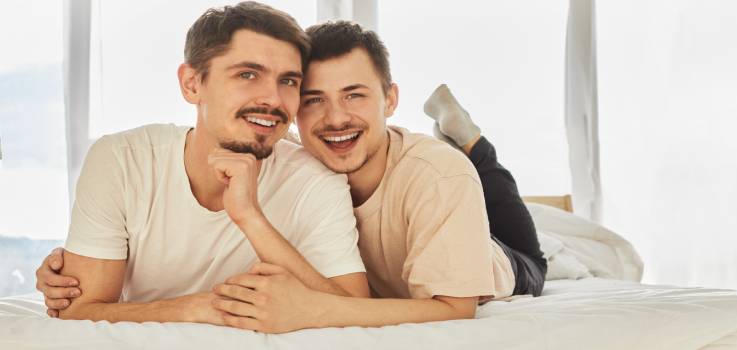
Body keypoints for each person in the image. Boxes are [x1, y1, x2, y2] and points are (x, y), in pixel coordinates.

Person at [39, 18, 547, 333]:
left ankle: (472, 140)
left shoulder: (436, 178)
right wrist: (74, 266)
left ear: (390, 100)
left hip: (496, 261)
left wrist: (313, 310)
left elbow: (453, 311)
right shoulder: (274, 147)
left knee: (511, 221)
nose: (334, 118)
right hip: (378, 260)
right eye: (310, 99)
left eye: (355, 95)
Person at [36, 2, 369, 324]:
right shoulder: (122, 160)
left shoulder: (315, 178)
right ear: (192, 84)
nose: (272, 98)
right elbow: (78, 312)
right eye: (248, 74)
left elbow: (354, 312)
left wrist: (249, 216)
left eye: (288, 81)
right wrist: (189, 309)